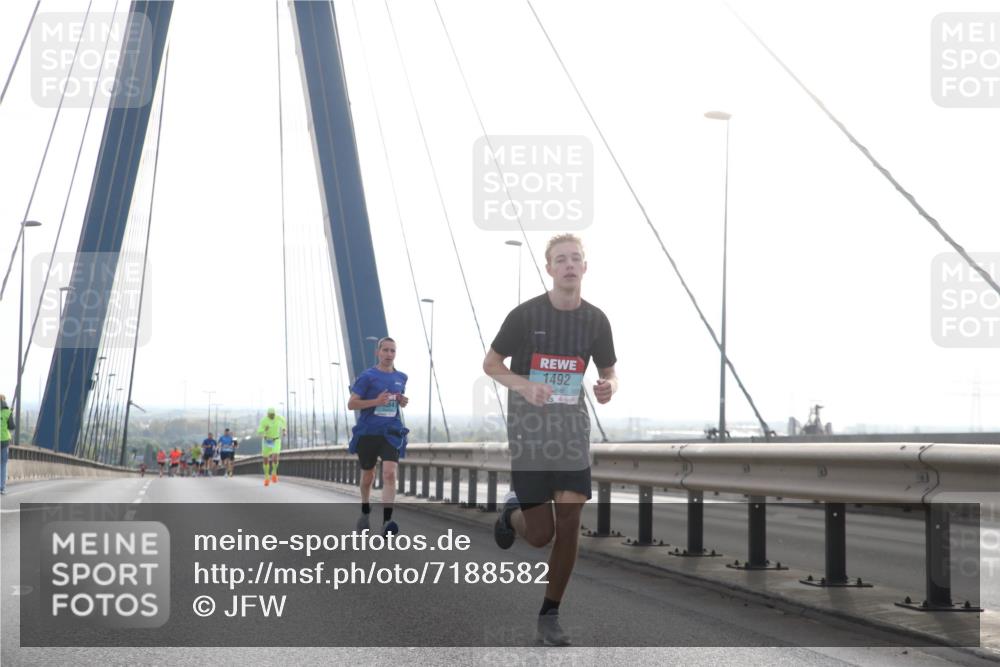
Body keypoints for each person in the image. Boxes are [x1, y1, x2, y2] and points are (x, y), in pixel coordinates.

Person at [484, 234, 618, 646]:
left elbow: (610, 370)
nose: (569, 265)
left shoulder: (596, 320)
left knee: (570, 521)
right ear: (549, 268)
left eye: (576, 258)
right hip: (529, 434)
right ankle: (512, 514)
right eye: (561, 259)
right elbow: (491, 364)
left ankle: (550, 614)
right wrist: (524, 387)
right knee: (540, 535)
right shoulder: (524, 316)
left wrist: (608, 386)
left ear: (585, 266)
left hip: (572, 432)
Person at [347, 336, 409, 537]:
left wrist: (401, 401)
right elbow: (352, 404)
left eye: (393, 351)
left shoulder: (402, 377)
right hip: (368, 433)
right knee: (368, 477)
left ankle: (387, 522)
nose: (389, 354)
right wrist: (375, 401)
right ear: (378, 352)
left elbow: (396, 401)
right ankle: (365, 510)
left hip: (390, 433)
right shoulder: (367, 377)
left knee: (390, 473)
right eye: (386, 350)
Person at [257, 408, 287, 487]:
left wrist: (284, 431)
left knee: (275, 456)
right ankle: (267, 477)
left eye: (273, 415)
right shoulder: (264, 420)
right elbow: (259, 431)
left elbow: (283, 423)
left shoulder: (278, 418)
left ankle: (274, 473)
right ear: (267, 414)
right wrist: (264, 429)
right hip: (266, 441)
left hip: (276, 440)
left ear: (275, 414)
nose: (272, 416)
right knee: (265, 460)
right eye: (270, 415)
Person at [1, 394, 13, 495]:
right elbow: (12, 426)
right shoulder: (8, 412)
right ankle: (2, 487)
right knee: (3, 464)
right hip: (4, 441)